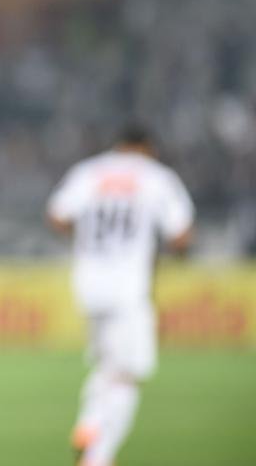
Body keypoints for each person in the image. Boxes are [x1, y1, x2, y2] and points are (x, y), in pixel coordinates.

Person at [46, 124, 194, 466]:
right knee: (128, 374)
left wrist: (86, 243)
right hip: (128, 287)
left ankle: (88, 426)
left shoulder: (89, 171)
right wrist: (170, 256)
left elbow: (56, 216)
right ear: (146, 148)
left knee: (107, 365)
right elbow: (182, 235)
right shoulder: (156, 177)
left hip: (88, 284)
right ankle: (98, 454)